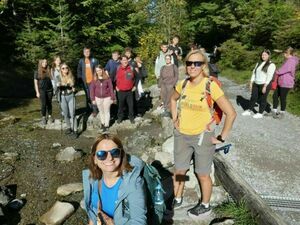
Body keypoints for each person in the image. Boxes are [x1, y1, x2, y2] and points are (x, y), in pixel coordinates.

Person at [170, 50, 236, 218]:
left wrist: (221, 137)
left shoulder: (209, 85)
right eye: (189, 63)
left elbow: (231, 113)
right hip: (182, 135)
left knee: (203, 173)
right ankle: (178, 196)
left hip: (202, 137)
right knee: (180, 171)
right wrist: (174, 119)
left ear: (203, 66)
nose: (192, 66)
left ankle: (205, 204)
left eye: (197, 63)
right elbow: (172, 99)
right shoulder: (183, 84)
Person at [82, 133, 147, 225]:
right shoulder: (93, 178)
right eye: (101, 154)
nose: (109, 158)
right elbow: (93, 211)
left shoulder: (133, 182)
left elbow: (139, 222)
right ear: (94, 159)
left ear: (121, 155)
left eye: (114, 152)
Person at [242, 49, 276, 119]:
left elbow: (269, 76)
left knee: (263, 99)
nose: (263, 56)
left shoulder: (271, 64)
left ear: (269, 55)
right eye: (262, 55)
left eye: (265, 55)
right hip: (256, 83)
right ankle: (249, 110)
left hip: (265, 84)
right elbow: (254, 73)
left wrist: (265, 86)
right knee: (253, 97)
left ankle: (260, 113)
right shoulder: (258, 63)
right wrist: (251, 82)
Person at [272, 47, 299, 119]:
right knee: (275, 95)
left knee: (282, 98)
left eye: (284, 53)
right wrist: (279, 50)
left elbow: (283, 70)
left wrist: (275, 72)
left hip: (286, 82)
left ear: (287, 53)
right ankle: (274, 111)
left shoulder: (291, 61)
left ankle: (282, 113)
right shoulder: (289, 59)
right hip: (281, 81)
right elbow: (283, 51)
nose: (283, 55)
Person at [90, 65, 115, 132]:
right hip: (97, 98)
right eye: (97, 70)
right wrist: (93, 99)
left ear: (102, 70)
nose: (99, 72)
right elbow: (92, 89)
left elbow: (111, 88)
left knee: (106, 111)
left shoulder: (107, 78)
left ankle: (106, 125)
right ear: (96, 71)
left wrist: (112, 98)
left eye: (100, 70)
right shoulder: (94, 79)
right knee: (101, 111)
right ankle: (103, 123)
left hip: (107, 97)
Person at [57, 63, 78, 139]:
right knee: (65, 114)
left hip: (71, 96)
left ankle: (75, 131)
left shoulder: (71, 76)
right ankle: (69, 127)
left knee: (73, 114)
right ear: (60, 70)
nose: (65, 69)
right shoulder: (58, 77)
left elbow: (73, 85)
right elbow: (58, 85)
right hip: (62, 97)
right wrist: (61, 84)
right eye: (63, 68)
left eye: (66, 68)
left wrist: (72, 87)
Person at [115, 55, 136, 124]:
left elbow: (137, 77)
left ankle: (131, 117)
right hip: (120, 91)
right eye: (123, 60)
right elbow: (112, 78)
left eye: (126, 60)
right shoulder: (117, 68)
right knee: (120, 105)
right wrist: (115, 86)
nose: (125, 61)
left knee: (131, 105)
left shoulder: (131, 68)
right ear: (121, 61)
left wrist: (135, 85)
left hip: (130, 91)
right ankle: (120, 117)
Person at [34, 59, 54, 125]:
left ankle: (50, 116)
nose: (45, 63)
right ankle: (43, 117)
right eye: (44, 62)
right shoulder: (37, 72)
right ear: (41, 63)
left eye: (46, 62)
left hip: (50, 90)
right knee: (43, 104)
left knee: (49, 103)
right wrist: (37, 92)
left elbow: (52, 79)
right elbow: (35, 83)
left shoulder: (49, 70)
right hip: (42, 90)